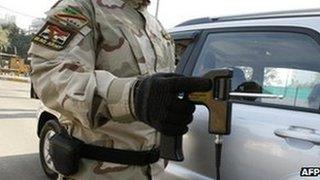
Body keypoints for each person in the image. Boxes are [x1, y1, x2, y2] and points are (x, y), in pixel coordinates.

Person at [28, 0, 211, 179]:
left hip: (154, 170)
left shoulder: (155, 25)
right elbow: (50, 75)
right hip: (97, 171)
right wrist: (133, 97)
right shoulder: (80, 7)